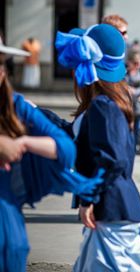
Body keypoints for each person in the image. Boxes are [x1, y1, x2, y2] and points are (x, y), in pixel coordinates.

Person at [55, 23, 140, 270]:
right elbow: (77, 134)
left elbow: (113, 159)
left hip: (112, 210)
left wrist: (88, 198)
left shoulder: (103, 105)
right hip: (112, 212)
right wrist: (32, 113)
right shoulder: (104, 103)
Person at [0, 40, 80, 271]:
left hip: (10, 236)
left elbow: (65, 149)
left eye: (3, 64)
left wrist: (24, 142)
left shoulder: (15, 106)